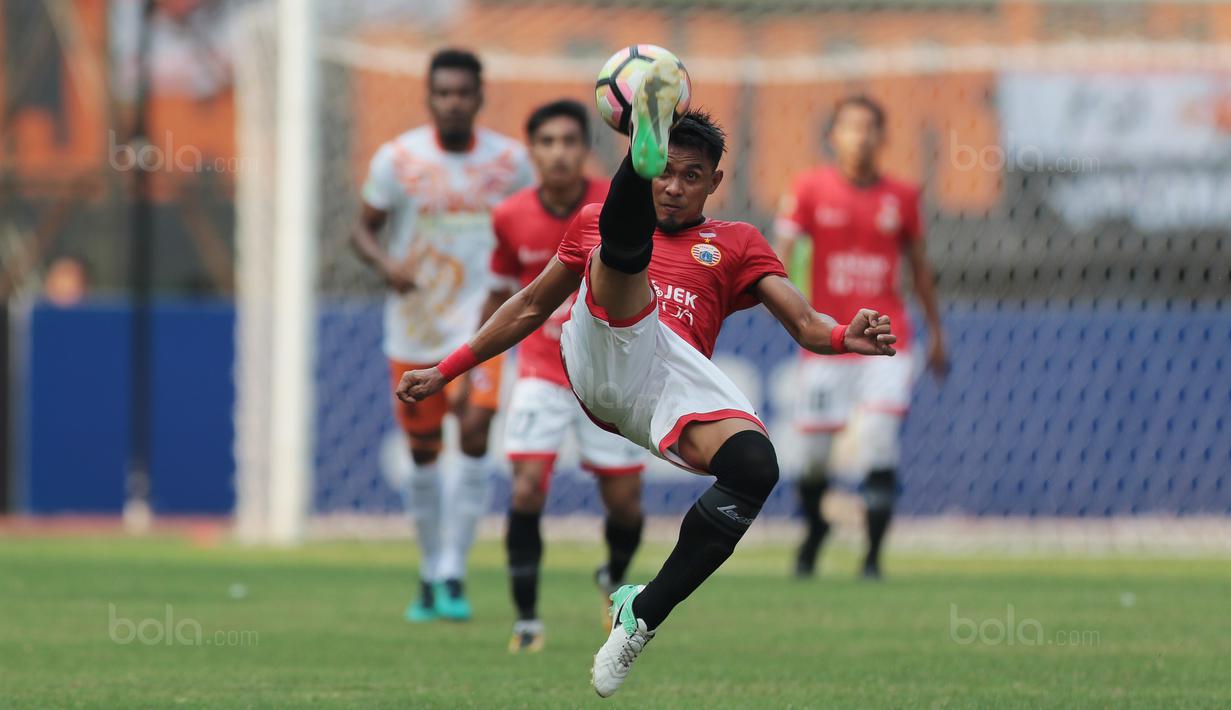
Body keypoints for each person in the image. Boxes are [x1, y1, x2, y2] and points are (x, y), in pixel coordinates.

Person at [396, 57, 896, 697]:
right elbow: (528, 306)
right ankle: (642, 146)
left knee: (755, 469)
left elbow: (801, 322)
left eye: (691, 176)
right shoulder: (588, 222)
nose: (676, 187)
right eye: (663, 171)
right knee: (619, 250)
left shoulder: (737, 242)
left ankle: (643, 612)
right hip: (599, 348)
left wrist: (840, 336)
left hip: (672, 384)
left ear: (715, 181)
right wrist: (446, 370)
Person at [350, 48, 533, 622]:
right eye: (444, 92)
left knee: (476, 432)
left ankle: (454, 569)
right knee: (423, 457)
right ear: (429, 97)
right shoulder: (397, 159)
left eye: (463, 92)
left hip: (483, 326)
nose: (454, 101)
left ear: (480, 96)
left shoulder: (512, 162)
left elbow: (535, 225)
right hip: (415, 327)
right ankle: (431, 571)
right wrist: (386, 266)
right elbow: (361, 229)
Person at [486, 99, 647, 653]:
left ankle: (612, 579)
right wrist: (476, 380)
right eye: (547, 142)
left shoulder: (616, 202)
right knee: (527, 489)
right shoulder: (509, 216)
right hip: (540, 370)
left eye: (569, 142)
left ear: (586, 148)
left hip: (606, 375)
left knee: (624, 503)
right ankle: (527, 620)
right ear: (531, 151)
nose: (558, 153)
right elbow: (501, 294)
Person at [774, 95, 947, 581]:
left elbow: (920, 270)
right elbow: (778, 260)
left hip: (886, 339)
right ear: (833, 136)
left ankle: (872, 559)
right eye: (850, 127)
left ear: (883, 137)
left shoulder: (903, 197)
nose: (861, 136)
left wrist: (936, 332)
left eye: (870, 127)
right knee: (811, 458)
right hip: (829, 339)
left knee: (877, 442)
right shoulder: (808, 189)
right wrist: (791, 312)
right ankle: (814, 532)